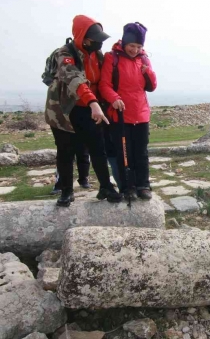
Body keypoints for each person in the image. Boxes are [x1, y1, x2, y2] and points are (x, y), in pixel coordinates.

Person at [44, 15, 122, 207]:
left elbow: (105, 78)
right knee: (65, 151)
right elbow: (75, 79)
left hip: (91, 109)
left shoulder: (98, 55)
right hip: (65, 110)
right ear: (83, 38)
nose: (99, 43)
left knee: (97, 148)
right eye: (95, 39)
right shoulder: (65, 53)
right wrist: (93, 103)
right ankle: (66, 191)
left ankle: (105, 187)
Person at [99, 22, 157, 200]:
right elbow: (104, 85)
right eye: (132, 46)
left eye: (139, 46)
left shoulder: (144, 59)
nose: (135, 49)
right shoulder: (112, 58)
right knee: (124, 153)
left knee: (141, 152)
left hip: (141, 113)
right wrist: (114, 99)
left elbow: (152, 86)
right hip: (120, 115)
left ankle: (143, 185)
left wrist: (149, 73)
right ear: (124, 42)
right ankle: (127, 187)